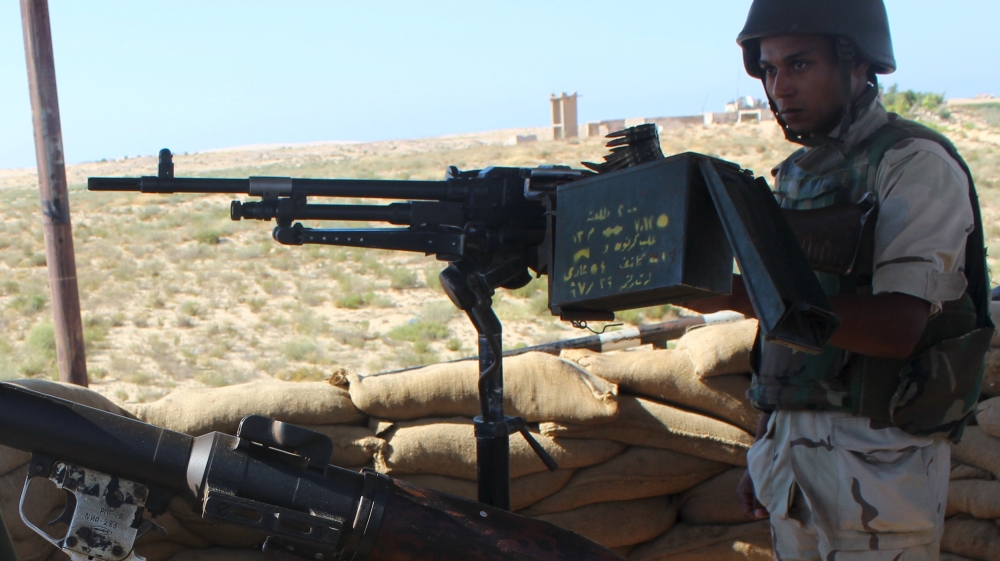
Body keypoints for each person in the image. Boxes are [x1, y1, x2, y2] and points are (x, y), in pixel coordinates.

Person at [686, 1, 993, 559]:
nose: (780, 87)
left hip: (878, 461)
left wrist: (738, 294)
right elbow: (787, 338)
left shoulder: (911, 163)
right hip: (793, 463)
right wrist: (768, 445)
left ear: (856, 64)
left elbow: (898, 327)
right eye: (770, 69)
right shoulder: (796, 177)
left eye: (799, 65)